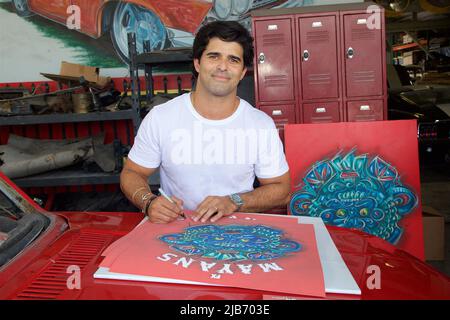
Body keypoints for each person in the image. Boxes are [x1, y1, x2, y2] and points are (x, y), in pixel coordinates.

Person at [120, 21, 290, 224]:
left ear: (243, 72)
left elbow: (282, 189)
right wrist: (148, 202)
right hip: (176, 232)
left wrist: (233, 201)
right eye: (214, 56)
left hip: (239, 235)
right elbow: (132, 173)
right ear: (197, 63)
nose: (222, 66)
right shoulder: (161, 117)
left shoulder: (260, 124)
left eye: (233, 60)